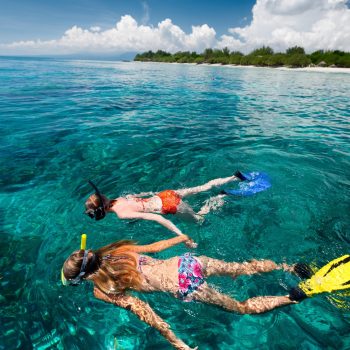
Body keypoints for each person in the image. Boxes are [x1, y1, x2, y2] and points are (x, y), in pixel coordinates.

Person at [61, 235, 301, 350]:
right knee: (243, 268)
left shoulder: (102, 290)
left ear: (84, 278)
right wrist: (181, 237)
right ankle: (287, 267)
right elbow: (154, 247)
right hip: (187, 262)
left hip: (185, 284)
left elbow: (143, 310)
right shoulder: (119, 250)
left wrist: (177, 342)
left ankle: (293, 296)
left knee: (242, 308)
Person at [84, 172, 245, 245]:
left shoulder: (121, 213)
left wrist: (181, 236)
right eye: (101, 195)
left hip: (169, 206)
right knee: (201, 187)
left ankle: (220, 196)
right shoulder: (118, 199)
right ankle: (234, 177)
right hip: (165, 195)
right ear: (104, 202)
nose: (103, 194)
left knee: (199, 219)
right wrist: (154, 193)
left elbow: (157, 218)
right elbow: (142, 195)